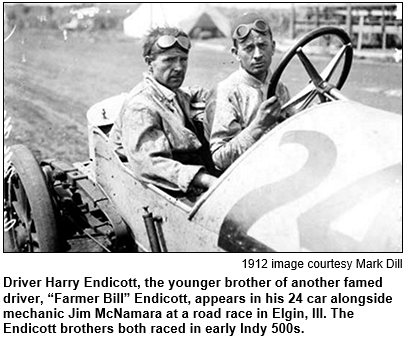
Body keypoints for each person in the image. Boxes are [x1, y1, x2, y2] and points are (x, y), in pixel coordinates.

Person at [109, 27, 217, 195]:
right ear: (149, 62)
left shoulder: (172, 92)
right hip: (161, 188)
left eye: (183, 60)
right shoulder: (141, 107)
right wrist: (207, 180)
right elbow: (150, 163)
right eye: (169, 60)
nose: (179, 68)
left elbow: (193, 93)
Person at [205, 12, 293, 172]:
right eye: (249, 48)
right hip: (245, 176)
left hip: (280, 167)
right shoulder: (227, 91)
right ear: (235, 53)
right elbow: (219, 158)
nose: (258, 55)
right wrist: (259, 126)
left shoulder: (280, 88)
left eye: (263, 45)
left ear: (273, 47)